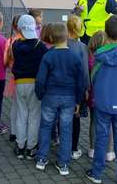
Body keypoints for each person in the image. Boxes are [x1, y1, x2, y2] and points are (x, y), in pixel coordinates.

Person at [85, 15, 117, 184]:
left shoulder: (99, 55)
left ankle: (96, 173)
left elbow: (93, 77)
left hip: (103, 103)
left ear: (106, 34)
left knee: (101, 138)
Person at [35, 23, 85, 176]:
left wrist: (39, 94)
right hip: (69, 98)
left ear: (51, 38)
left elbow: (40, 80)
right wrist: (78, 100)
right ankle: (63, 163)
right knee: (66, 129)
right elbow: (80, 81)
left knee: (45, 126)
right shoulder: (75, 56)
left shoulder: (48, 55)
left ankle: (41, 159)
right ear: (67, 36)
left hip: (50, 96)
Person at [12, 14, 48, 160]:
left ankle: (20, 146)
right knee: (34, 115)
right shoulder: (40, 46)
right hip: (35, 83)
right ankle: (31, 147)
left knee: (21, 115)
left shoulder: (15, 45)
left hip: (19, 83)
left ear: (19, 28)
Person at [87, 31, 115, 162]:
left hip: (93, 94)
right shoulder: (109, 57)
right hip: (107, 94)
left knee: (93, 121)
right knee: (107, 123)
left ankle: (92, 149)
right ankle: (109, 151)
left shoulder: (89, 57)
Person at [66, 15, 90, 160]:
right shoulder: (82, 47)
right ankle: (73, 149)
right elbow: (85, 71)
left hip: (61, 88)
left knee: (62, 118)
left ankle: (62, 143)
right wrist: (87, 89)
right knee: (75, 118)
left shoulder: (60, 44)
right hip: (76, 89)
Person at [4, 15, 22, 142]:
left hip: (14, 76)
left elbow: (5, 60)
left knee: (15, 106)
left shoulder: (10, 40)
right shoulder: (28, 40)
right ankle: (21, 133)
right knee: (23, 107)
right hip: (26, 77)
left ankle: (14, 132)